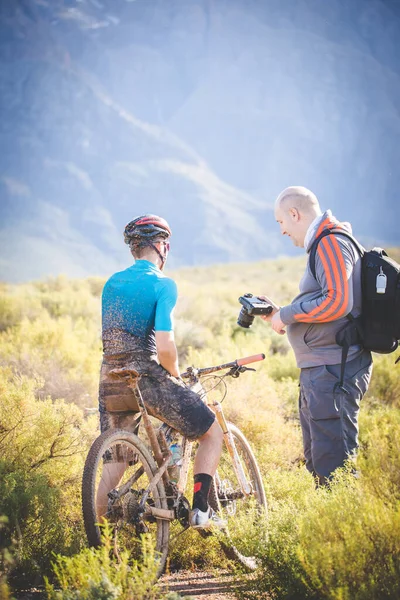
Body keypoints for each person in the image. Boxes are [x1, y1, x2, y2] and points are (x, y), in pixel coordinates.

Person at [98, 214, 224, 527]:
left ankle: (95, 540)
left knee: (114, 465)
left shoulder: (112, 283)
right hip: (145, 378)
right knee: (212, 433)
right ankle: (200, 512)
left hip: (110, 379)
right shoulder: (162, 284)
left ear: (133, 248)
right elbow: (165, 348)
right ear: (162, 246)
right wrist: (177, 377)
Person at [260, 186, 373, 485]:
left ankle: (342, 530)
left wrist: (288, 315)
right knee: (320, 463)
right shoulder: (324, 244)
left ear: (294, 214)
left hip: (334, 371)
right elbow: (327, 300)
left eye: (281, 222)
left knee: (333, 470)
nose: (282, 231)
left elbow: (337, 301)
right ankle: (332, 526)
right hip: (323, 371)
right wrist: (281, 313)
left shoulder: (331, 243)